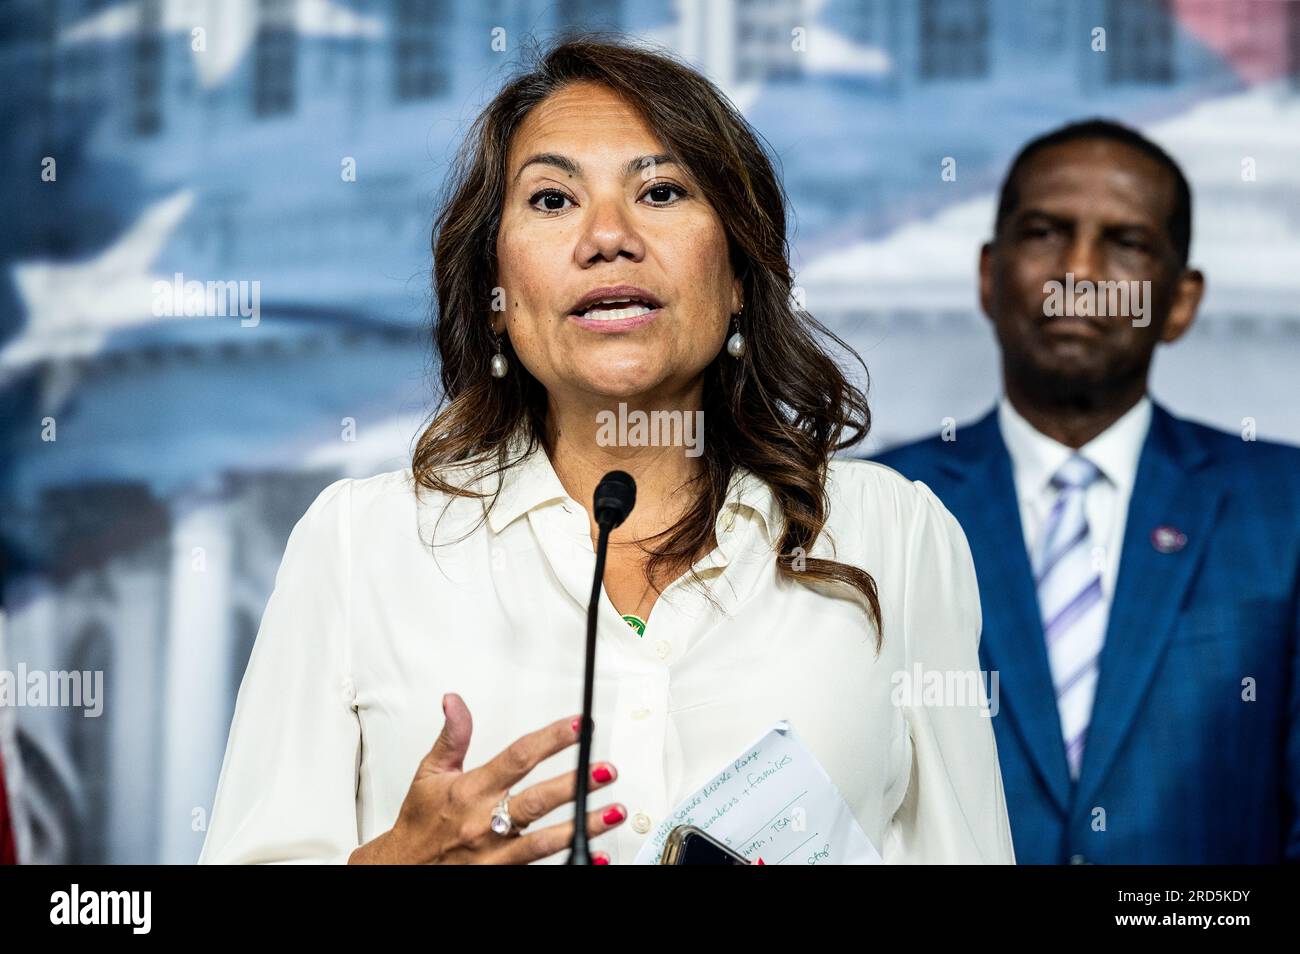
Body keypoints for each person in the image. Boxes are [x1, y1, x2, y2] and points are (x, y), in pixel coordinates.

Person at [198, 36, 1013, 865]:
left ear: (737, 276)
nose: (608, 237)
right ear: (494, 292)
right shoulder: (358, 546)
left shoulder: (897, 535)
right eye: (552, 200)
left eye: (660, 191)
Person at [877, 119, 1300, 863]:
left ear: (1180, 301)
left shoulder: (1284, 506)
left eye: (1126, 243)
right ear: (988, 275)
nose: (1078, 271)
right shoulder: (871, 504)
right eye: (1044, 233)